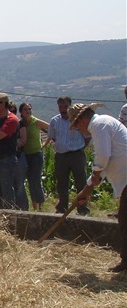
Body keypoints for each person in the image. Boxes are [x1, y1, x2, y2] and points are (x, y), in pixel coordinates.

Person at [70, 103, 127, 272]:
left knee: (125, 220)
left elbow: (102, 158)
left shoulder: (99, 124)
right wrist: (86, 191)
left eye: (76, 125)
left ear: (82, 118)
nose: (79, 129)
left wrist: (94, 176)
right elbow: (101, 167)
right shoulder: (102, 124)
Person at [47, 96, 90, 215]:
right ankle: (62, 208)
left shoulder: (78, 120)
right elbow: (53, 136)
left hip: (76, 154)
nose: (63, 109)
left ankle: (82, 209)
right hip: (61, 156)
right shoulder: (55, 121)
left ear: (70, 106)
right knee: (61, 183)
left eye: (65, 106)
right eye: (61, 107)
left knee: (81, 183)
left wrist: (79, 147)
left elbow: (87, 136)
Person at [16, 103, 49, 211]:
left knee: (35, 180)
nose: (28, 111)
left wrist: (45, 144)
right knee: (29, 181)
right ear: (21, 112)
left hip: (36, 155)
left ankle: (39, 206)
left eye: (29, 109)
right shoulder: (20, 124)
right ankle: (35, 206)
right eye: (25, 109)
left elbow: (51, 129)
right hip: (25, 155)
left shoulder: (36, 122)